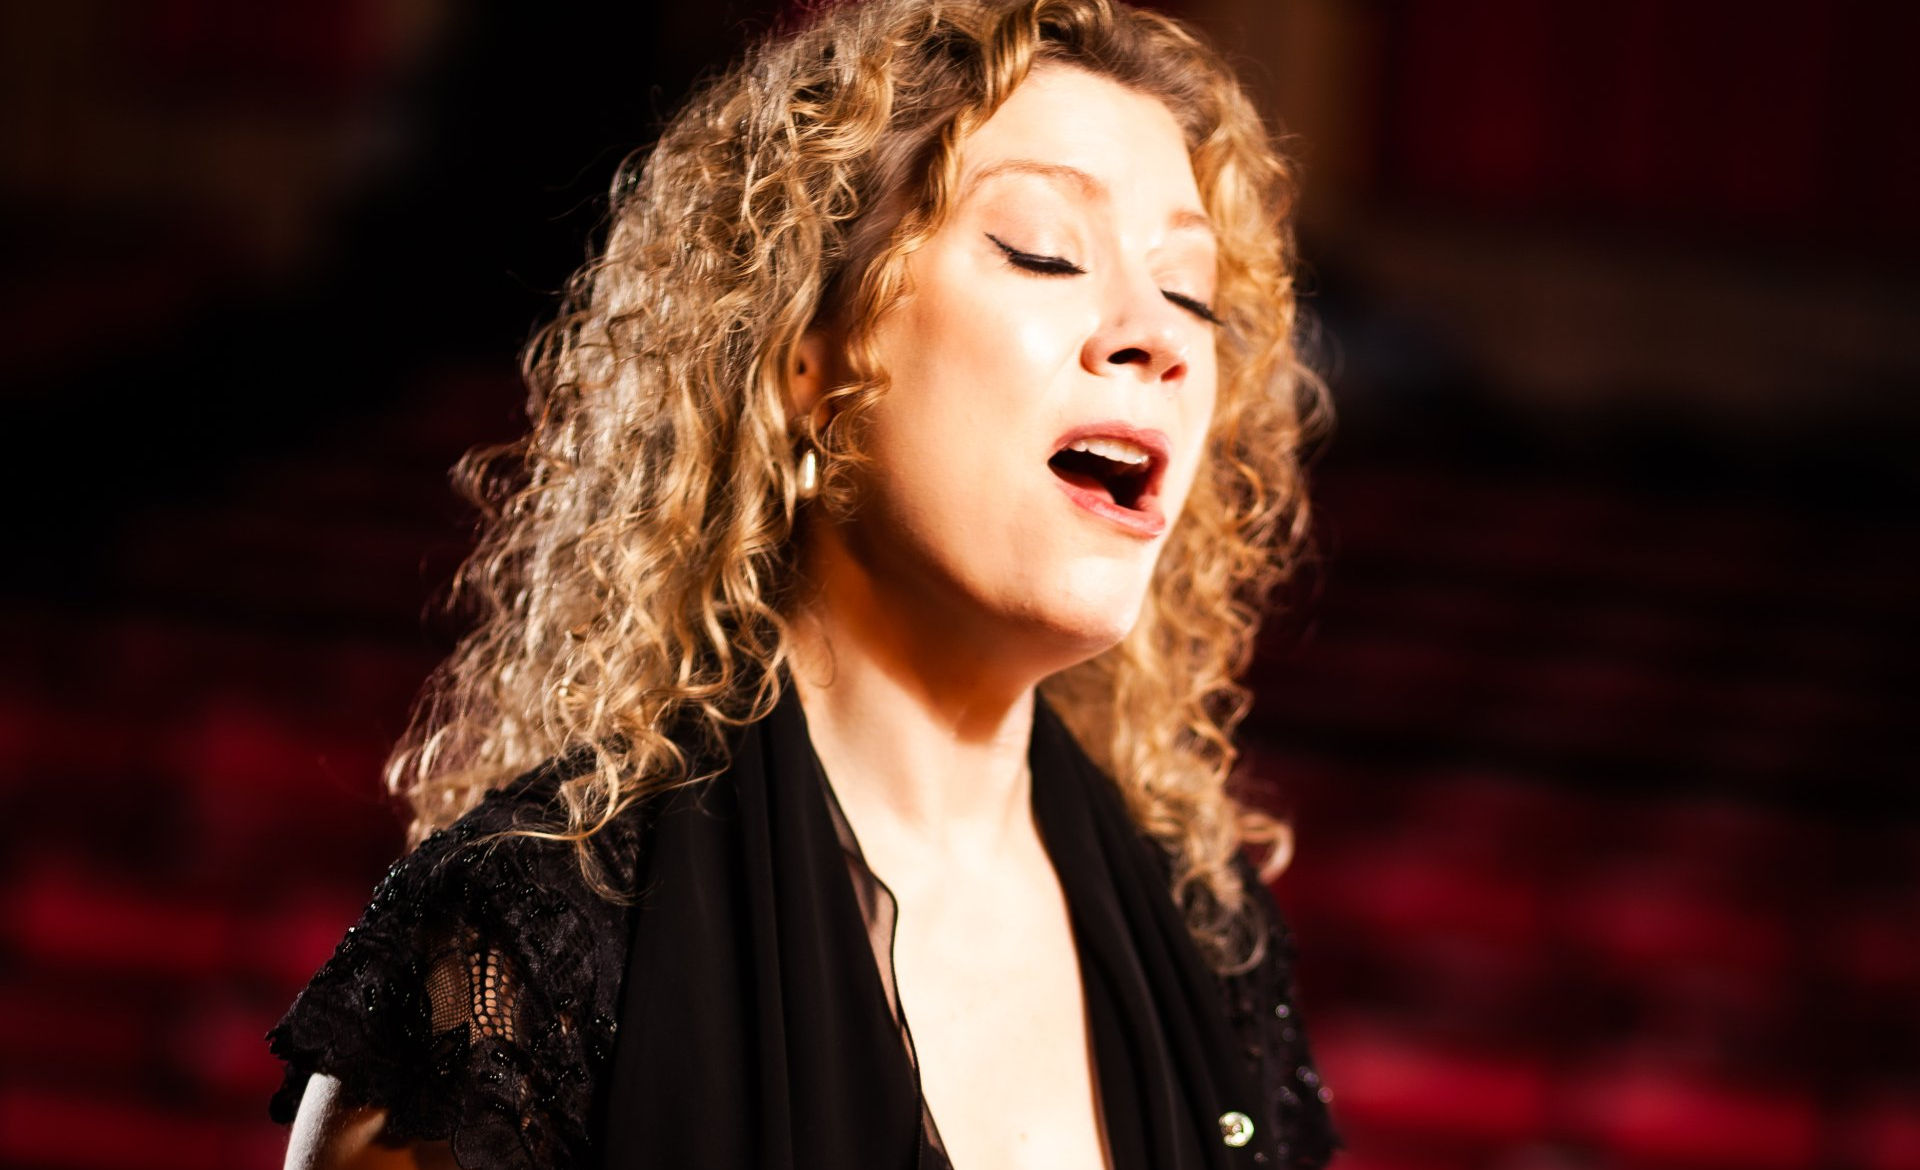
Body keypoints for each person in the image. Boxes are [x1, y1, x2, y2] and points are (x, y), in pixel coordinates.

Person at [267, 0, 1338, 1167]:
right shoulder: (522, 959)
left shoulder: (1209, 935)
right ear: (805, 366)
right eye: (1045, 251)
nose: (1161, 339)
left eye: (1190, 289)